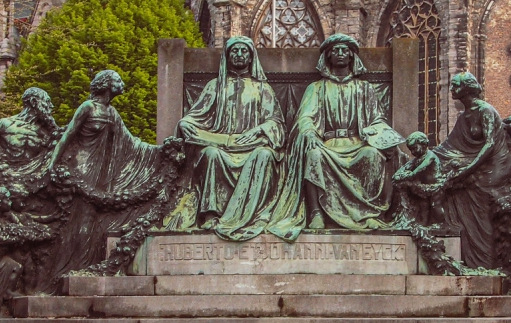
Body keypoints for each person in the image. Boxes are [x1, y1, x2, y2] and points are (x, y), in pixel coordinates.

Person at [39, 69, 183, 283]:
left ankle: (83, 263)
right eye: (117, 80)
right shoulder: (88, 108)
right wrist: (51, 165)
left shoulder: (112, 112)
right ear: (106, 84)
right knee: (79, 217)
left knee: (90, 218)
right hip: (82, 167)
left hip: (101, 170)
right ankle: (65, 267)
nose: (121, 83)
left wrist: (160, 151)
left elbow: (130, 143)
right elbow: (68, 135)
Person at [267, 34, 402, 237]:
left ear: (351, 57)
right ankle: (316, 213)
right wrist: (310, 133)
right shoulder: (317, 88)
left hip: (358, 142)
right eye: (335, 50)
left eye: (344, 50)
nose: (340, 54)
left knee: (372, 155)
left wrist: (384, 137)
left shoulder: (364, 89)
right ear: (328, 56)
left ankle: (367, 213)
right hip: (328, 143)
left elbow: (377, 119)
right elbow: (305, 118)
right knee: (314, 155)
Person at [171, 36, 284, 239]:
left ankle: (257, 214)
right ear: (227, 55)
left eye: (244, 51)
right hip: (220, 145)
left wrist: (257, 130)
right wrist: (185, 124)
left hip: (251, 146)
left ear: (251, 57)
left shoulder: (262, 88)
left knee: (266, 155)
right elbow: (194, 117)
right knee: (211, 154)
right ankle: (211, 215)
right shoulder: (215, 86)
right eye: (235, 51)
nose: (239, 55)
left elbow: (275, 121)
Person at [434, 72, 511, 268]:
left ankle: (485, 261)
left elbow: (489, 145)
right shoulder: (464, 116)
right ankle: (467, 256)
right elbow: (449, 146)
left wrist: (466, 170)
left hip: (495, 166)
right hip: (476, 163)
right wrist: (427, 157)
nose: (451, 89)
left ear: (466, 88)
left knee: (478, 206)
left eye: (455, 86)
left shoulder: (485, 111)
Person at [393, 131, 446, 227]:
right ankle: (423, 223)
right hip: (423, 186)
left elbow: (422, 167)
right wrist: (398, 175)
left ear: (424, 144)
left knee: (435, 204)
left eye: (415, 148)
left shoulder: (430, 155)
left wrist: (411, 174)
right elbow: (405, 167)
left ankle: (441, 223)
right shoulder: (416, 159)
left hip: (436, 186)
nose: (413, 152)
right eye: (411, 150)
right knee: (423, 206)